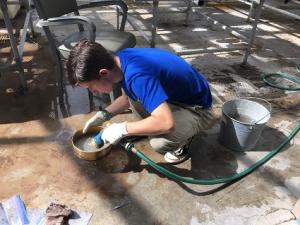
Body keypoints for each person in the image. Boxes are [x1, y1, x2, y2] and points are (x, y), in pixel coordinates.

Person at [66, 39, 212, 164]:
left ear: (103, 73)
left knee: (159, 142)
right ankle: (155, 121)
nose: (94, 92)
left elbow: (166, 123)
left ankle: (186, 138)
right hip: (176, 96)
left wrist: (122, 129)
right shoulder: (120, 61)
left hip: (197, 107)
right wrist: (104, 115)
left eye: (91, 87)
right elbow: (126, 98)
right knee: (135, 103)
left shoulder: (138, 77)